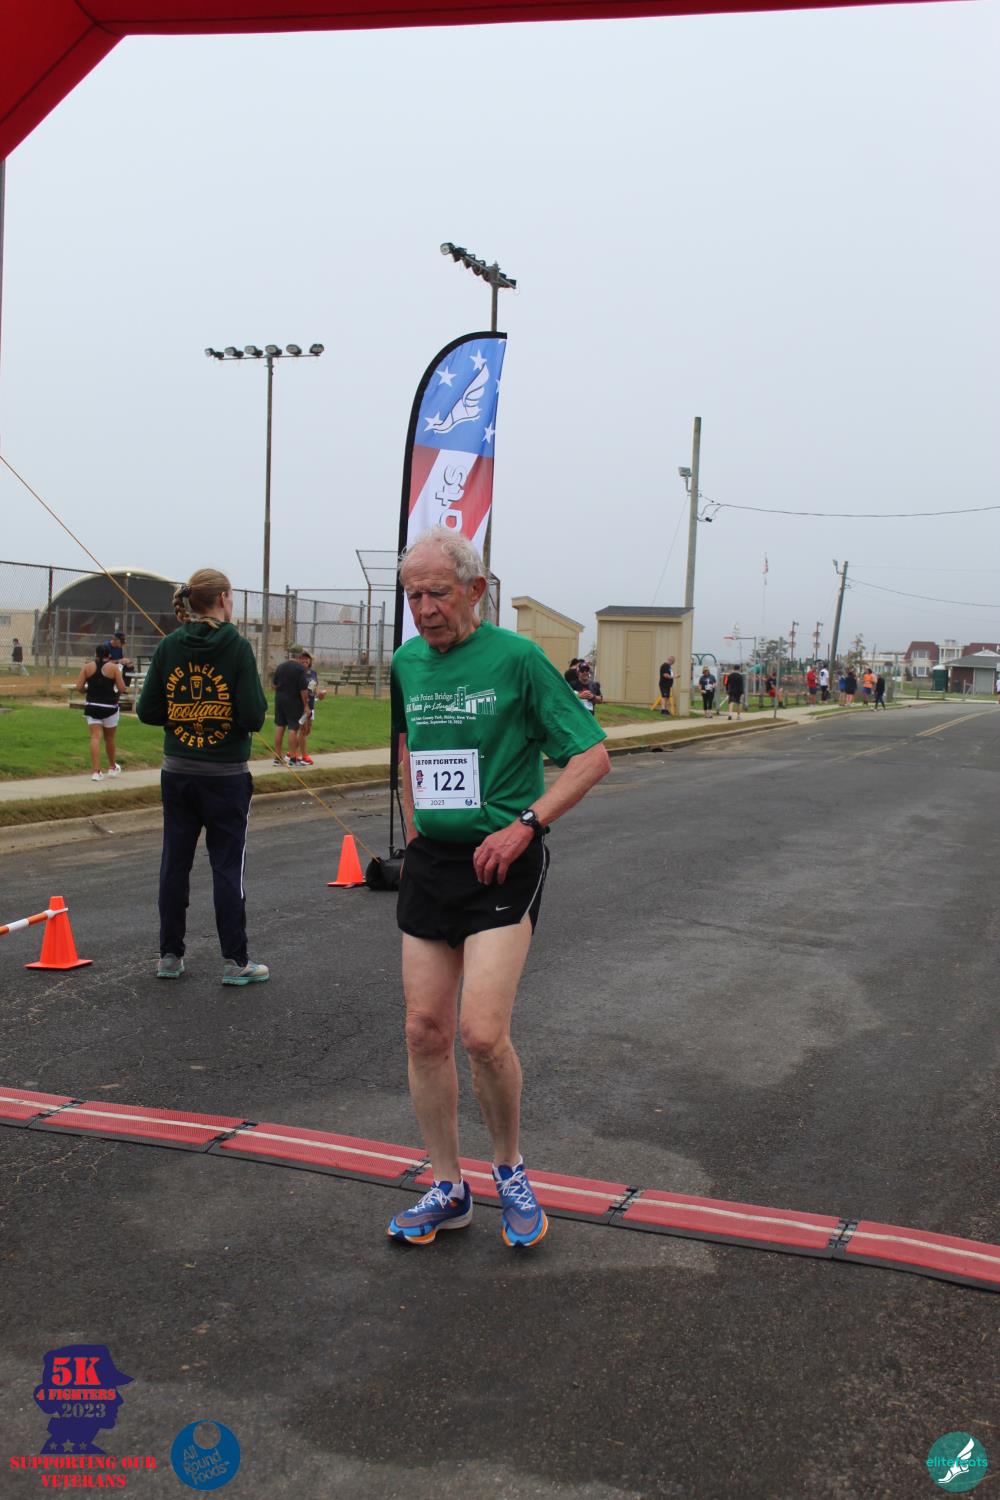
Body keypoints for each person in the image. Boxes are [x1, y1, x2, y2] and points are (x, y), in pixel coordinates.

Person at [387, 529, 610, 1249]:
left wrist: (525, 826)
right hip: (433, 863)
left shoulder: (517, 659)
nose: (424, 610)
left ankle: (510, 1168)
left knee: (481, 1034)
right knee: (424, 1031)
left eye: (437, 593)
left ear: (475, 590)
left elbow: (591, 756)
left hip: (502, 862)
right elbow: (409, 745)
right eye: (413, 596)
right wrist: (415, 827)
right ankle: (447, 1186)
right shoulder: (406, 662)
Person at [137, 568, 269, 985]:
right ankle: (235, 960)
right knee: (227, 867)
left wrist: (181, 716)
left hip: (177, 772)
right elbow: (254, 715)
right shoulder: (237, 646)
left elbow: (147, 709)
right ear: (224, 598)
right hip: (226, 776)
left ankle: (169, 956)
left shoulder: (169, 645)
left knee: (174, 864)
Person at [75, 643, 126, 780]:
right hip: (110, 706)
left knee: (95, 737)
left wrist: (88, 690)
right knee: (109, 738)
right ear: (109, 655)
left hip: (92, 705)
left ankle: (96, 772)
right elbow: (122, 688)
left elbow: (79, 687)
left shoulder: (87, 667)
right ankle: (112, 767)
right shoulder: (113, 668)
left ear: (96, 654)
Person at [272, 645, 310, 767]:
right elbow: (303, 689)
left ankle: (277, 757)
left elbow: (274, 685)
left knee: (280, 726)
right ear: (299, 655)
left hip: (279, 699)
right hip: (293, 701)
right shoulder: (300, 669)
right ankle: (293, 758)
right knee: (293, 728)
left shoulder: (280, 667)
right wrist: (306, 705)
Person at [297, 649, 327, 765]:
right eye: (302, 658)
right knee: (303, 730)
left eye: (307, 658)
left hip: (311, 705)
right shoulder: (298, 672)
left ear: (310, 661)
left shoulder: (313, 673)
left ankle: (291, 752)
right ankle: (304, 756)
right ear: (299, 660)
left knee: (307, 730)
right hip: (302, 705)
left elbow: (313, 689)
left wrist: (320, 694)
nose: (305, 660)